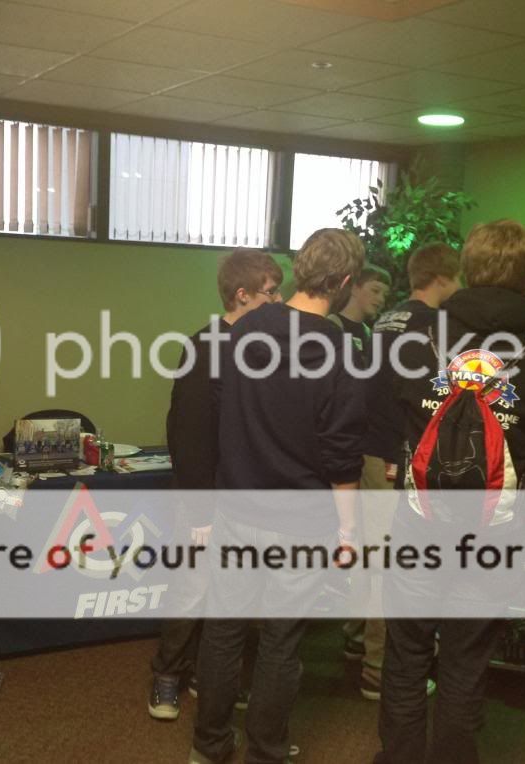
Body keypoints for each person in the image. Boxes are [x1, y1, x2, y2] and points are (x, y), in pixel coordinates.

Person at [377, 220, 525, 764]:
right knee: (466, 659)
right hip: (497, 525)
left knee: (407, 652)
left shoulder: (425, 330)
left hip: (421, 516)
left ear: (467, 268)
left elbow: (396, 405)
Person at [190, 228, 367, 764]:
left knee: (223, 632)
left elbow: (220, 411)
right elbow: (342, 455)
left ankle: (209, 747)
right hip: (302, 518)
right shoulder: (340, 349)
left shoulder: (244, 329)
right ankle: (265, 751)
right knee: (280, 641)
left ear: (300, 268)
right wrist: (348, 530)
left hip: (237, 506)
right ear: (344, 281)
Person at [149, 248, 284, 721]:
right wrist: (200, 509)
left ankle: (211, 676)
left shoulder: (263, 349)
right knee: (192, 586)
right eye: (271, 292)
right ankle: (167, 674)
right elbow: (187, 434)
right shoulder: (204, 347)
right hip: (204, 493)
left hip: (245, 493)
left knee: (237, 591)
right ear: (242, 295)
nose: (279, 300)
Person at [346, 243, 462, 700]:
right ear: (444, 278)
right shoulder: (434, 326)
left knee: (371, 551)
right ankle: (378, 669)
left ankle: (359, 639)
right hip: (397, 454)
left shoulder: (387, 319)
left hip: (370, 450)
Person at [334, 264, 391, 366]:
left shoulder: (368, 333)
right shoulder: (332, 325)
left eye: (385, 295)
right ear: (355, 289)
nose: (381, 299)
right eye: (375, 291)